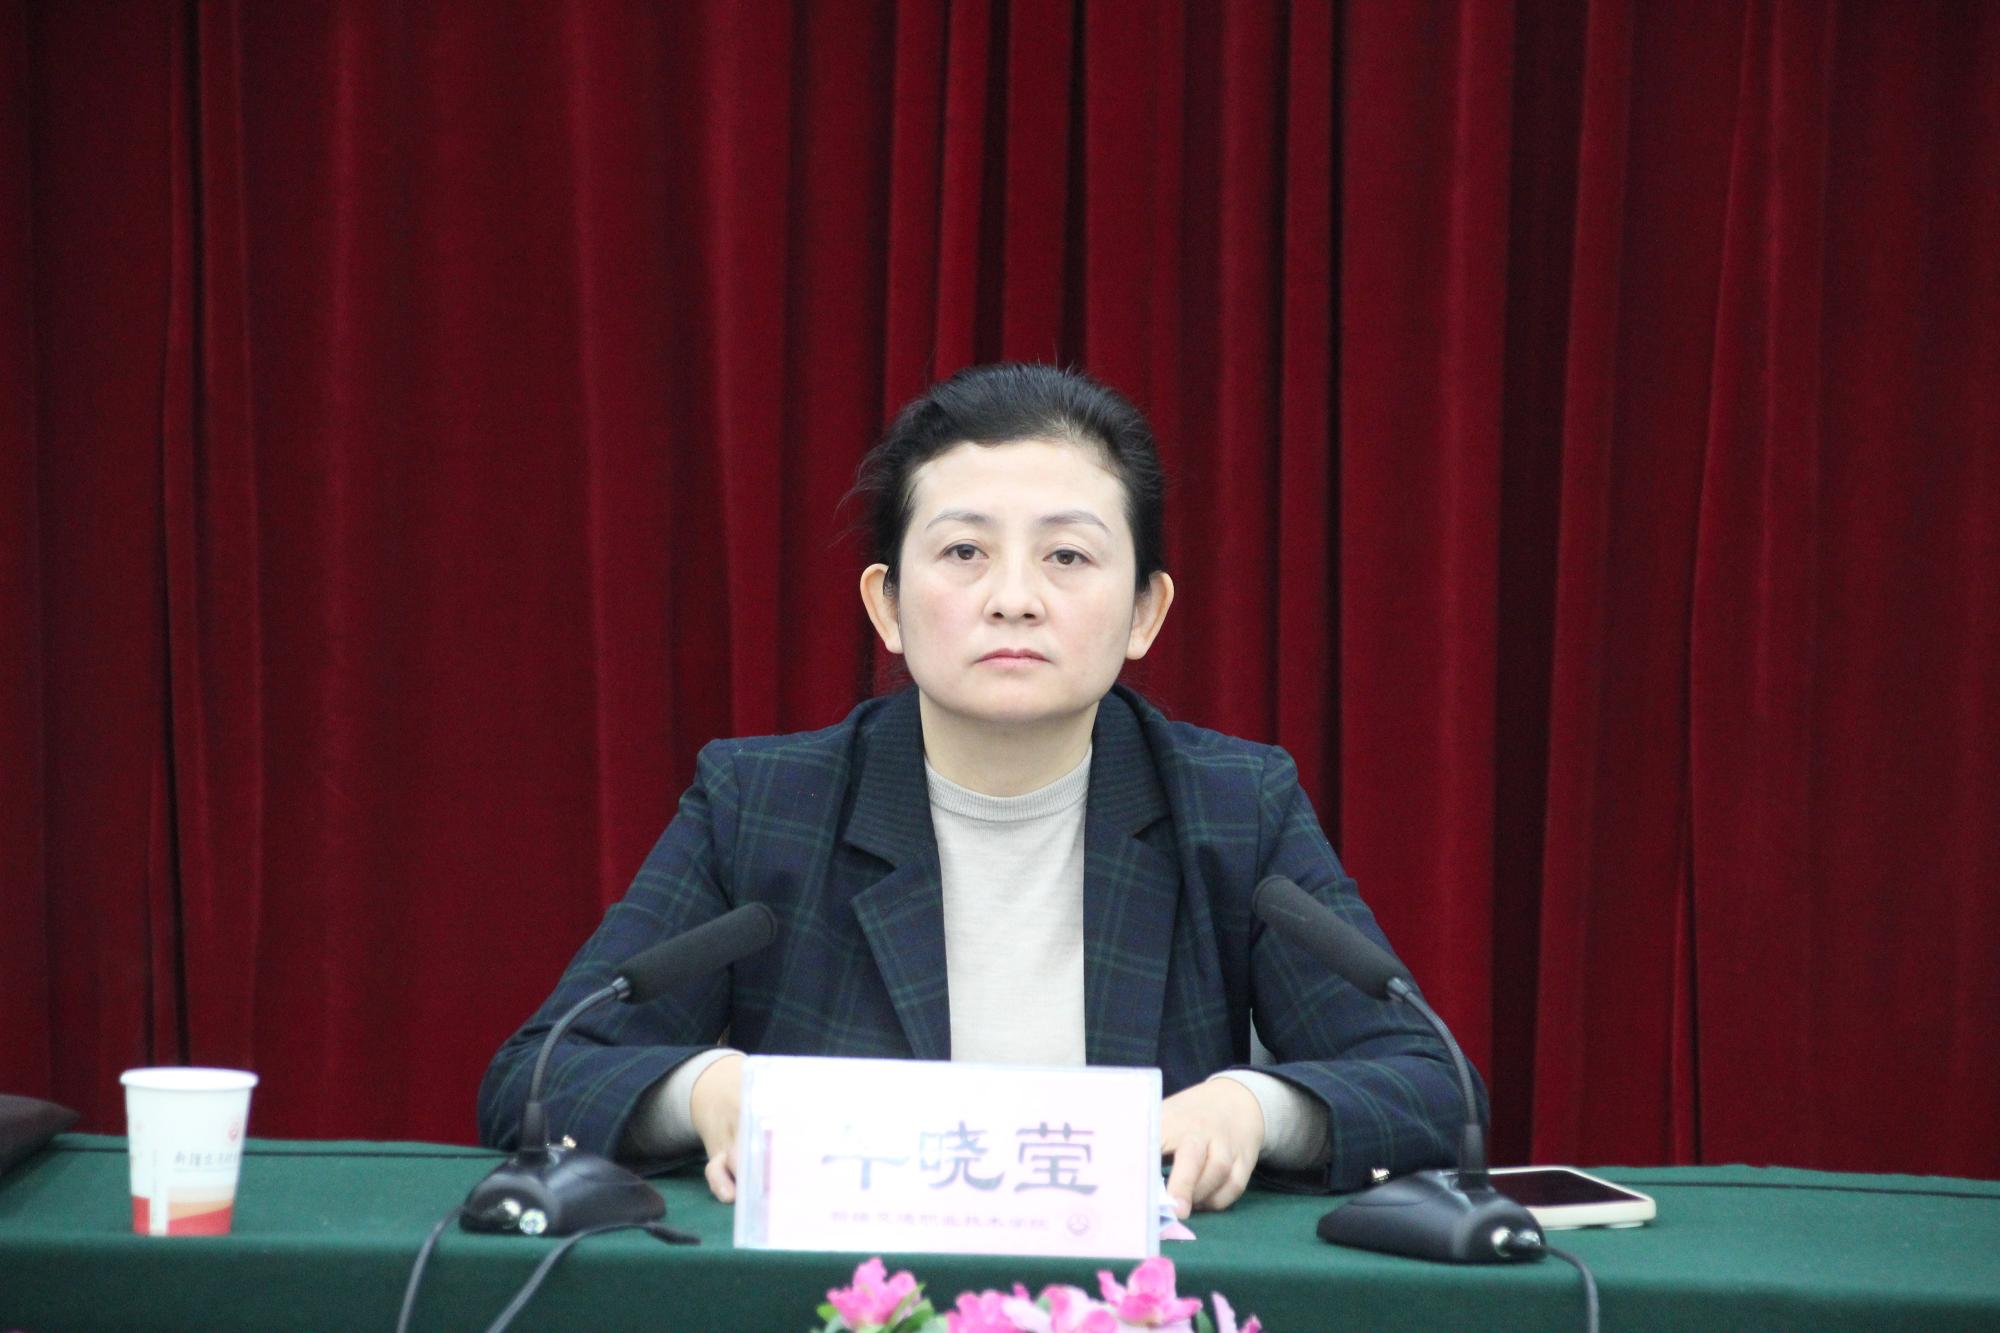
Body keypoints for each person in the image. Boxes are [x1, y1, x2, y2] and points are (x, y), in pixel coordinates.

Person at [477, 363, 1467, 1217]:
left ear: (1144, 611)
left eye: (1067, 556)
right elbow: (539, 1072)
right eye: (963, 552)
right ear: (886, 605)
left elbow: (1429, 1083)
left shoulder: (1232, 807)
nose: (1013, 598)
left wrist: (1252, 1108)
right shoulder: (764, 804)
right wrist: (706, 1089)